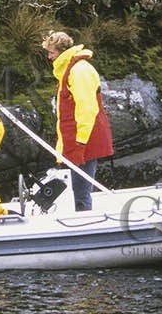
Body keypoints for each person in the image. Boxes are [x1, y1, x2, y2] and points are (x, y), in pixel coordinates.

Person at [42, 30, 114, 213]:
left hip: (85, 139)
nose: (49, 57)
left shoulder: (79, 71)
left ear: (61, 51)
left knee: (82, 189)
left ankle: (85, 222)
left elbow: (87, 109)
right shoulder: (68, 70)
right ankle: (82, 216)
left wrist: (79, 143)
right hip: (77, 139)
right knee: (78, 186)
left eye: (51, 53)